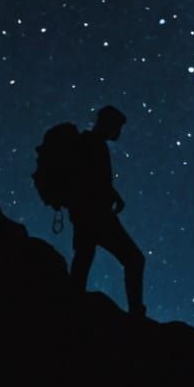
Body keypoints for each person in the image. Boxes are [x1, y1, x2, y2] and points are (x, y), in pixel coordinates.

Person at [67, 106, 145, 318]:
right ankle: (136, 313)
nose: (119, 131)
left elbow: (92, 179)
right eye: (117, 126)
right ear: (108, 123)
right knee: (134, 259)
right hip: (95, 215)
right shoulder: (93, 145)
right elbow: (90, 180)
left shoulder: (91, 144)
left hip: (86, 213)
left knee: (84, 255)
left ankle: (72, 301)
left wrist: (113, 195)